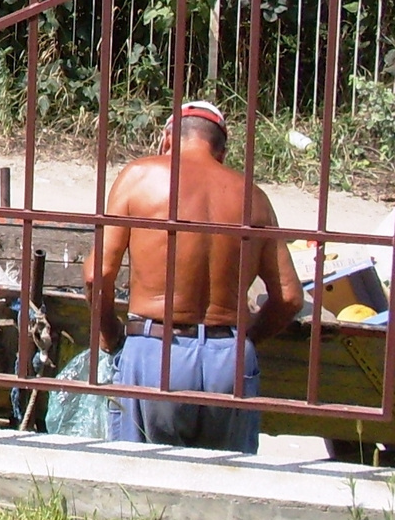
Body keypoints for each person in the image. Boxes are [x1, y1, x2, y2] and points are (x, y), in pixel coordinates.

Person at [84, 100, 304, 453]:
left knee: (138, 481)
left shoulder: (140, 177)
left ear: (167, 140)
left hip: (155, 349)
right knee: (226, 486)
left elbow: (98, 276)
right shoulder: (252, 197)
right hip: (228, 359)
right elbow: (291, 297)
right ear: (221, 151)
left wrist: (112, 336)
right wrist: (241, 344)